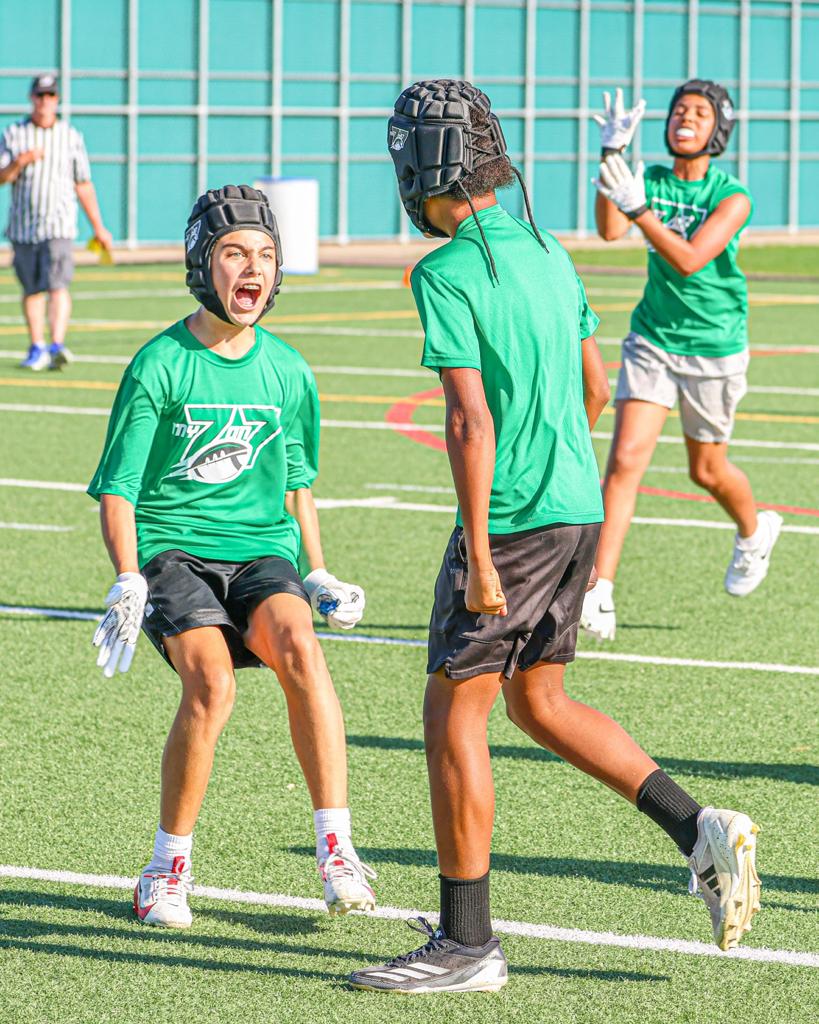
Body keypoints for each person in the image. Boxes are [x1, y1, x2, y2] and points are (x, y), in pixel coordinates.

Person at [348, 80, 760, 995]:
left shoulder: (443, 271)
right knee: (538, 702)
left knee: (452, 713)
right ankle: (697, 828)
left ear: (425, 168)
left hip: (516, 521)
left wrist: (484, 557)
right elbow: (594, 390)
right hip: (576, 507)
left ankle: (465, 945)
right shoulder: (547, 248)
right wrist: (559, 470)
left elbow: (466, 424)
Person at [88, 185, 375, 929]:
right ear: (200, 264)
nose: (253, 268)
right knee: (212, 686)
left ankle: (336, 849)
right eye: (234, 253)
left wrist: (316, 570)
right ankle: (165, 870)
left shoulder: (288, 371)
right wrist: (127, 576)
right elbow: (118, 489)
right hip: (174, 552)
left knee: (301, 649)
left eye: (266, 255)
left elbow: (298, 484)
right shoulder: (159, 364)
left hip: (258, 552)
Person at [581, 82, 781, 642]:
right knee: (624, 462)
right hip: (652, 337)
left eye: (699, 112)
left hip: (714, 346)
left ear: (719, 130)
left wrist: (639, 208)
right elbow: (609, 228)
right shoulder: (650, 179)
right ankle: (599, 590)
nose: (684, 119)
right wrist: (611, 157)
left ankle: (754, 530)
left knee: (707, 470)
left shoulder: (733, 195)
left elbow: (691, 260)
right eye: (677, 111)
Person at [0, 73, 112, 371]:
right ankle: (37, 347)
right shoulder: (14, 133)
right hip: (24, 227)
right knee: (31, 289)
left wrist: (98, 227)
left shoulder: (70, 136)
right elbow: (1, 178)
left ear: (57, 99)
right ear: (31, 98)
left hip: (59, 225)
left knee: (57, 285)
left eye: (50, 96)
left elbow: (83, 183)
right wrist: (18, 162)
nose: (45, 101)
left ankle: (57, 344)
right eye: (40, 95)